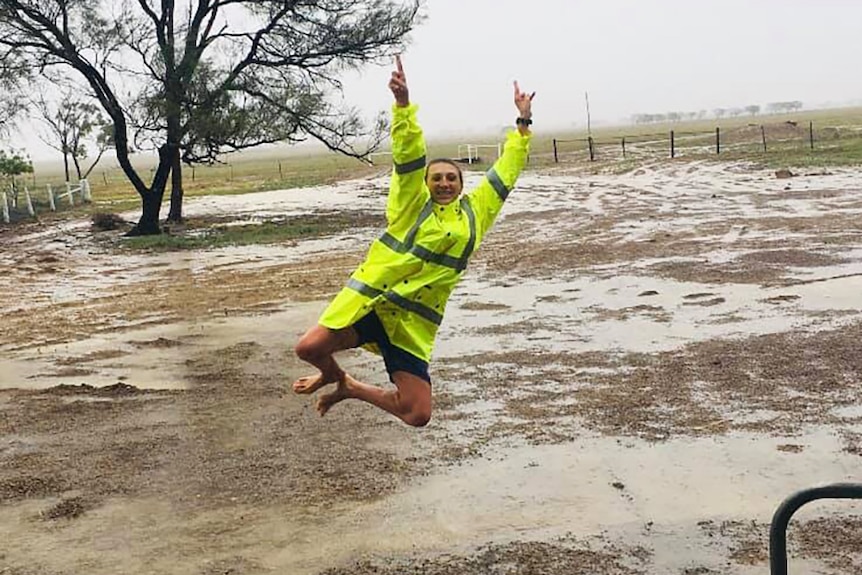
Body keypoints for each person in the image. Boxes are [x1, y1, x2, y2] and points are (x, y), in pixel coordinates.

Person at [292, 55, 534, 427]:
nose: (443, 182)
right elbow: (408, 155)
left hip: (411, 324)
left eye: (451, 178)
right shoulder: (409, 205)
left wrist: (522, 124)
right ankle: (333, 374)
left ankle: (350, 387)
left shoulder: (476, 213)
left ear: (461, 184)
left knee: (418, 413)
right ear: (426, 183)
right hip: (374, 304)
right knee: (309, 347)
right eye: (436, 177)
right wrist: (403, 106)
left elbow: (506, 173)